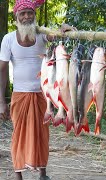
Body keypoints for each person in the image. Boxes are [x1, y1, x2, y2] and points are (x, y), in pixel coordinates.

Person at [0, 0, 75, 179]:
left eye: (30, 13)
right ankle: (18, 174)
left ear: (34, 15)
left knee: (42, 134)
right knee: (18, 134)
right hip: (19, 96)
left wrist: (63, 28)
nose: (26, 16)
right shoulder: (8, 39)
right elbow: (2, 70)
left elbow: (58, 35)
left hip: (43, 95)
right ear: (15, 17)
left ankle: (43, 173)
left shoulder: (42, 35)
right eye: (22, 13)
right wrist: (1, 101)